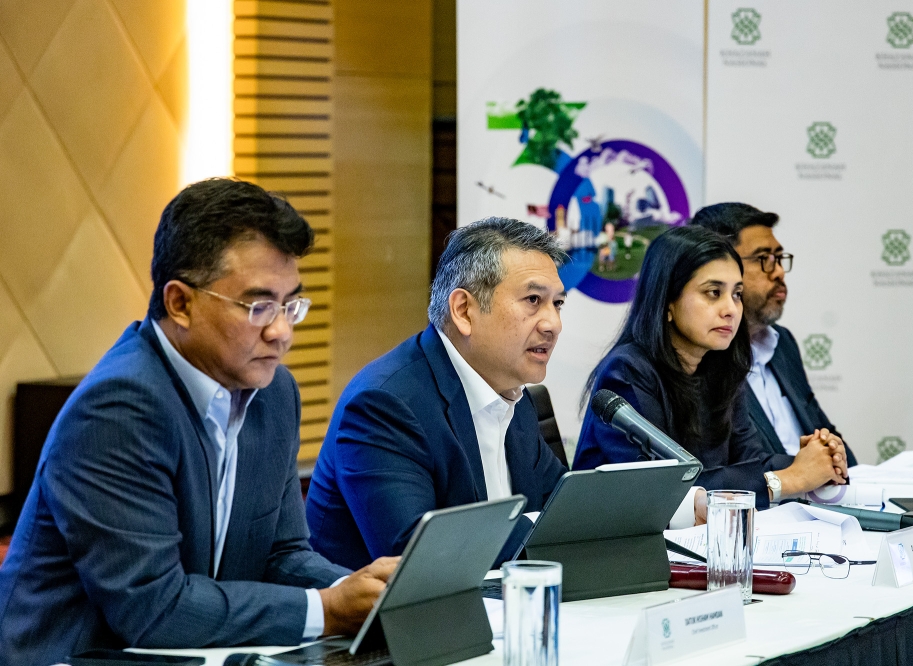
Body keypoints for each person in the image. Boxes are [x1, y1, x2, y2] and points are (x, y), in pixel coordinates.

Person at [0, 179, 397, 666]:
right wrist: (327, 610)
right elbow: (152, 609)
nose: (282, 332)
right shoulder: (119, 407)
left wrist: (358, 589)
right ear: (180, 303)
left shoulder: (274, 392)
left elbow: (282, 554)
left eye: (291, 304)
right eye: (259, 307)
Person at [306, 217, 568, 570]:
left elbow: (560, 515)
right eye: (533, 300)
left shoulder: (514, 396)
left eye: (558, 304)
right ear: (463, 311)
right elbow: (416, 554)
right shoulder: (385, 405)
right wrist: (536, 530)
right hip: (377, 622)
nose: (552, 323)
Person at [573, 225, 846, 515]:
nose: (731, 309)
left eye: (737, 294)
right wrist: (787, 479)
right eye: (713, 292)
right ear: (667, 302)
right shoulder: (627, 372)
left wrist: (813, 460)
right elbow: (661, 490)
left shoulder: (721, 367)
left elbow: (751, 460)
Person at [691, 203, 857, 472]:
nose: (778, 271)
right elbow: (739, 467)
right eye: (763, 259)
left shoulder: (783, 343)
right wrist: (804, 471)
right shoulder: (702, 357)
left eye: (779, 258)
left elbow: (824, 430)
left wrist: (834, 459)